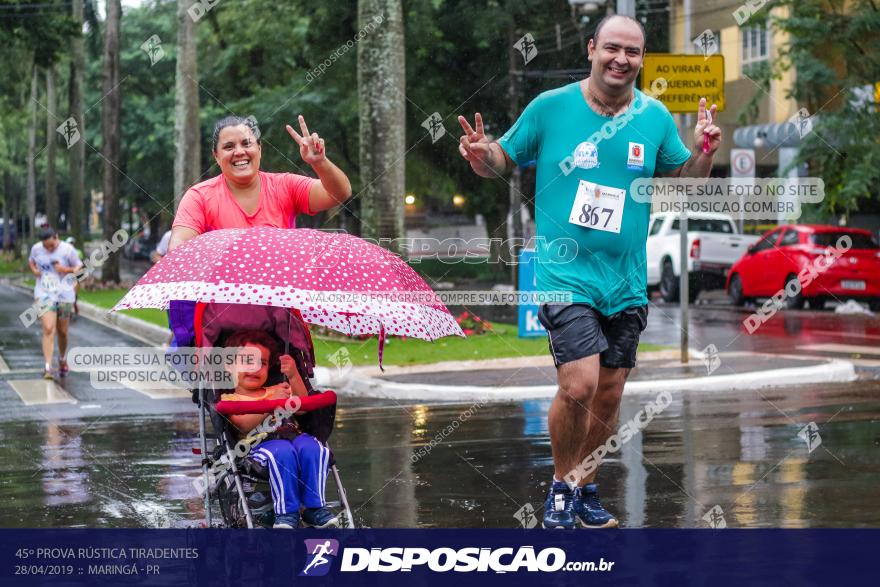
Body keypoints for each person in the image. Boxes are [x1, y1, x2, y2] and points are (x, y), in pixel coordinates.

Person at [458, 14, 721, 529]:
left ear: (642, 59)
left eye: (633, 52)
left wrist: (706, 152)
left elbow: (686, 180)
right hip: (565, 274)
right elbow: (501, 160)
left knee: (609, 392)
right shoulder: (551, 108)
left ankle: (587, 485)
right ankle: (560, 484)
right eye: (613, 49)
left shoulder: (655, 116)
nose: (622, 60)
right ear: (592, 48)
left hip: (625, 281)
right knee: (579, 384)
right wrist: (478, 153)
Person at [168, 115, 352, 251]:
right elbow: (178, 250)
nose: (239, 152)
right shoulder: (199, 197)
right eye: (229, 147)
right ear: (216, 156)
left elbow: (339, 193)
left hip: (280, 298)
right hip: (220, 299)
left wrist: (320, 162)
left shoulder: (285, 186)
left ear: (259, 149)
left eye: (247, 143)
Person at [221, 330, 338, 529]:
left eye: (263, 363)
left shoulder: (279, 388)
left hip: (293, 435)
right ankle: (287, 512)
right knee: (282, 452)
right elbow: (244, 424)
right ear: (229, 365)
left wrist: (293, 376)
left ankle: (314, 507)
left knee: (314, 447)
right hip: (258, 446)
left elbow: (301, 409)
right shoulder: (231, 399)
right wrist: (273, 401)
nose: (255, 368)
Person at [28, 227, 83, 379]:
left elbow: (79, 269)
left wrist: (64, 269)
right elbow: (31, 262)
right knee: (48, 328)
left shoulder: (68, 249)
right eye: (46, 246)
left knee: (63, 331)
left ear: (56, 237)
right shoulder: (37, 249)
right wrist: (34, 271)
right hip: (44, 293)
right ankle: (47, 367)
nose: (49, 249)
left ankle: (62, 359)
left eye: (52, 245)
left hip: (64, 295)